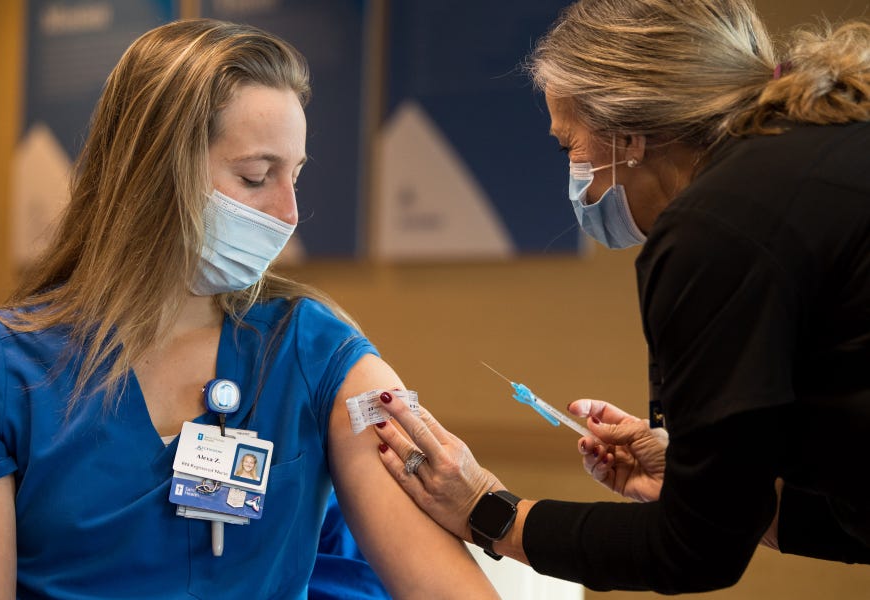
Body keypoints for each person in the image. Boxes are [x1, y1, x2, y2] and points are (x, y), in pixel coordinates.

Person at [0, 19, 500, 599]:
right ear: (151, 173)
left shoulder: (317, 354)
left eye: (295, 175)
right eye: (255, 176)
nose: (288, 212)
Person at [372, 0, 870, 593]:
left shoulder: (717, 228)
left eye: (568, 146)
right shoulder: (821, 157)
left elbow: (695, 552)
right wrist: (707, 479)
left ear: (629, 134)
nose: (572, 170)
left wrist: (487, 510)